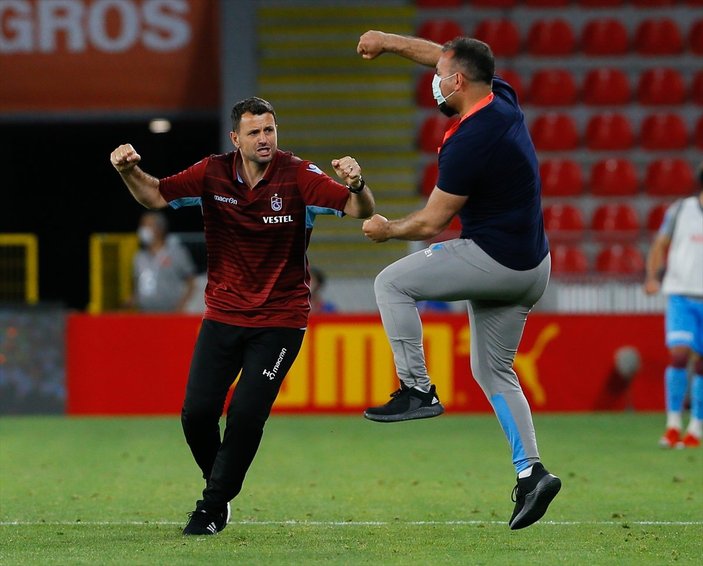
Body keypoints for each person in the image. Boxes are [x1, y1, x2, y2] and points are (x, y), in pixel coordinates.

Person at [109, 96, 375, 535]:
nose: (264, 138)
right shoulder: (212, 172)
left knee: (246, 415)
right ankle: (220, 487)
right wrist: (127, 171)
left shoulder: (299, 176)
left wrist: (357, 183)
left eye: (269, 130)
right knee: (195, 416)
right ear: (236, 139)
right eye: (254, 132)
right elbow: (155, 194)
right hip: (223, 316)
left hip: (280, 321)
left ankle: (211, 507)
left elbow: (359, 210)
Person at [356, 30, 561, 530]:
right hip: (533, 268)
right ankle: (531, 472)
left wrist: (386, 229)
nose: (435, 83)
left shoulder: (470, 141)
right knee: (495, 373)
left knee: (391, 284)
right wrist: (387, 41)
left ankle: (416, 388)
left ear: (459, 82)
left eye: (441, 79)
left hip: (494, 260)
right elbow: (442, 56)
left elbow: (429, 223)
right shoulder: (501, 96)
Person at [644, 163, 703, 449]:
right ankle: (673, 424)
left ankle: (695, 428)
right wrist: (652, 276)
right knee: (679, 356)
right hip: (680, 295)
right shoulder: (680, 210)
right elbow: (659, 245)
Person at [126, 210, 197, 312]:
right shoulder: (139, 256)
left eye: (147, 225)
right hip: (144, 315)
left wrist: (181, 306)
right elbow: (137, 286)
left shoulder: (176, 252)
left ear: (160, 229)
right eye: (142, 225)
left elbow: (191, 282)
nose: (143, 229)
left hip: (170, 315)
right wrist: (132, 299)